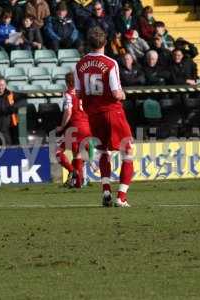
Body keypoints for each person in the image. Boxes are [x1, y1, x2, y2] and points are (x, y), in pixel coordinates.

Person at [74, 26, 133, 207]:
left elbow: (77, 93)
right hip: (111, 112)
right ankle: (121, 197)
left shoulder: (80, 64)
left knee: (103, 152)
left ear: (88, 44)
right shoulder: (110, 63)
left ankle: (106, 190)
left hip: (93, 114)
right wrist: (123, 94)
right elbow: (116, 93)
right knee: (127, 152)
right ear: (105, 42)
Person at [56, 72, 91, 188]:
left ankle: (73, 171)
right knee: (78, 155)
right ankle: (79, 183)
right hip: (87, 127)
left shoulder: (68, 94)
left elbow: (68, 112)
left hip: (76, 128)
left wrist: (61, 126)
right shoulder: (84, 92)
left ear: (67, 82)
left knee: (57, 152)